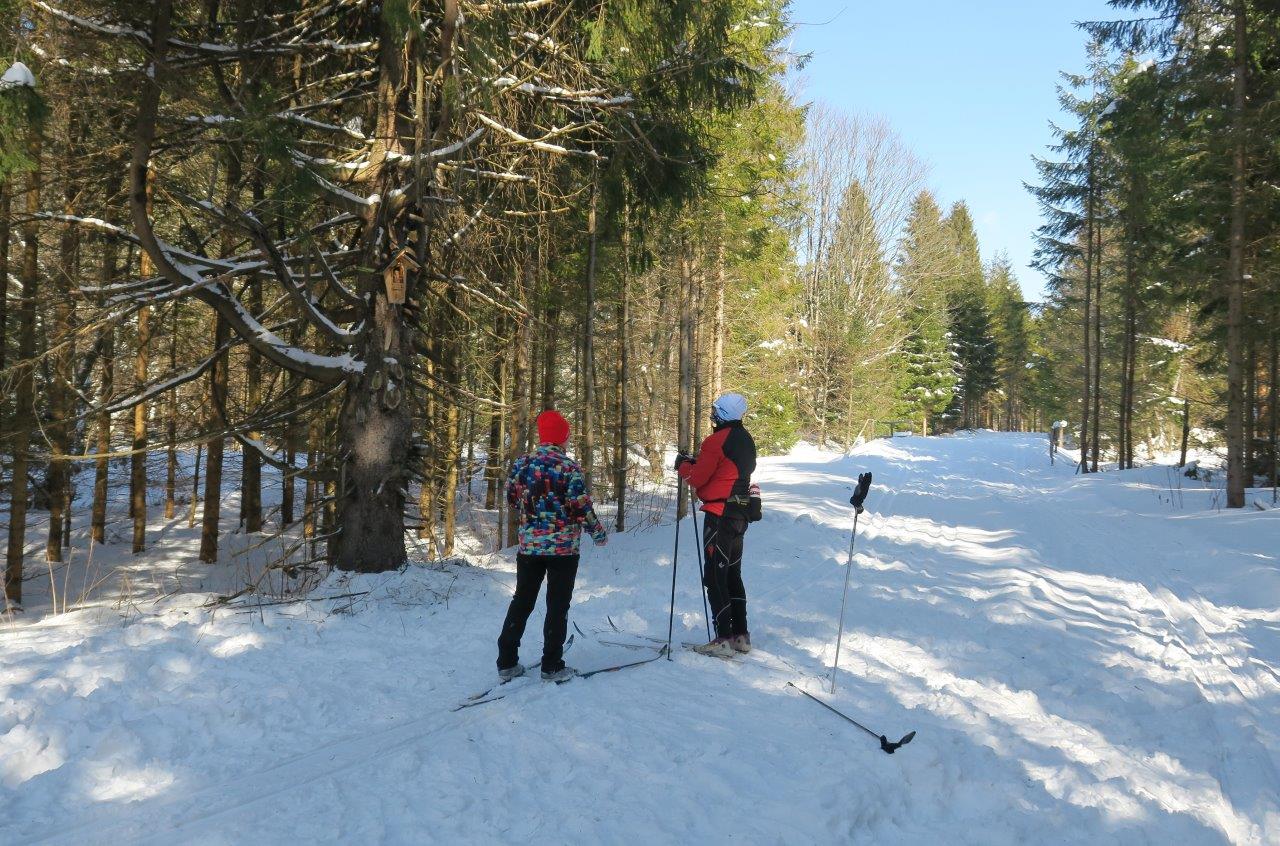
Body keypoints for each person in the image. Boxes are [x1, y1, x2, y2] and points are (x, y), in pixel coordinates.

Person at [497, 409, 607, 682]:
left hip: (529, 547)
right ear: (562, 438)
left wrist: (532, 513)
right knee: (557, 605)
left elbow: (512, 499)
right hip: (563, 550)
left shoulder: (522, 464)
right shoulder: (569, 468)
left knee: (522, 601)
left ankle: (507, 661)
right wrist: (598, 533)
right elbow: (581, 507)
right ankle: (552, 665)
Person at [676, 392, 757, 658]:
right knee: (732, 575)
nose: (712, 415)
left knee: (715, 576)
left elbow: (698, 478)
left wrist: (684, 466)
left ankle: (723, 638)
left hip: (719, 515)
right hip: (739, 514)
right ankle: (741, 635)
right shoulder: (745, 440)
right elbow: (725, 471)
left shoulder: (716, 441)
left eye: (715, 411)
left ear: (722, 414)